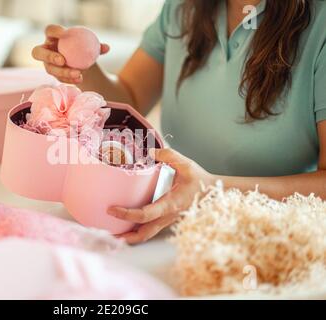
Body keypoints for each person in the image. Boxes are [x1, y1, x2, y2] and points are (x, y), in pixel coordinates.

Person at [32, 0, 326, 244]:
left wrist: (212, 190)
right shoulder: (181, 8)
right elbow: (130, 99)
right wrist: (81, 66)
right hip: (176, 223)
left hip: (275, 239)